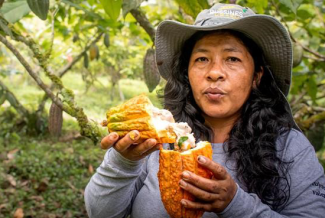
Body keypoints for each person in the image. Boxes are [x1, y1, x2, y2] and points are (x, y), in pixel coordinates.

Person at [85, 3, 325, 218]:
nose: (214, 72)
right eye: (201, 59)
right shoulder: (154, 141)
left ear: (256, 77)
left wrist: (235, 204)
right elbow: (101, 213)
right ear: (187, 74)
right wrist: (124, 161)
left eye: (232, 58)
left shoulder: (290, 147)